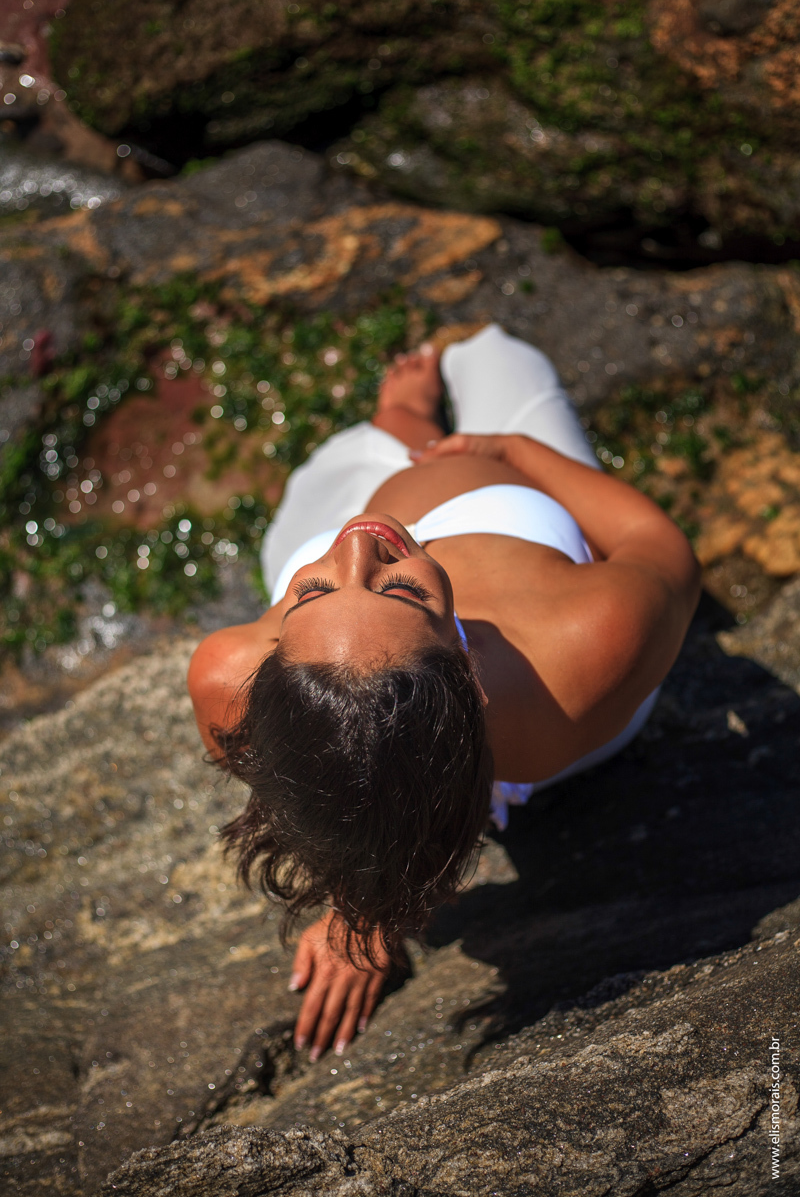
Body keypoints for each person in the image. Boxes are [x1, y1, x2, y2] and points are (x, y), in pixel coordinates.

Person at [188, 323, 700, 1062]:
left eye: (314, 593)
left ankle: (399, 419)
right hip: (515, 535)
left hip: (474, 664)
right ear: (467, 670)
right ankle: (439, 380)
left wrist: (362, 912)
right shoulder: (591, 640)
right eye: (402, 593)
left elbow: (334, 788)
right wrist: (515, 453)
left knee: (355, 462)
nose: (358, 541)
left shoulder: (227, 673)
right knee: (494, 351)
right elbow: (661, 552)